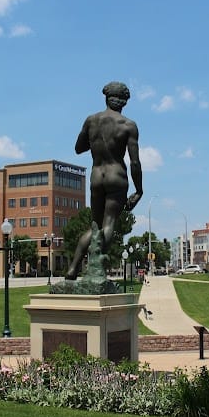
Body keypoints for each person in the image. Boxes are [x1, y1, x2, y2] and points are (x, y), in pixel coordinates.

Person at [65, 81, 143, 280]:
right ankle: (96, 266)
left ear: (106, 98)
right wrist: (139, 190)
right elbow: (135, 162)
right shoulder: (128, 125)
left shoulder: (91, 120)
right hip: (116, 177)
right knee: (108, 225)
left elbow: (79, 148)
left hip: (96, 177)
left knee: (95, 226)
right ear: (124, 102)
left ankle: (73, 268)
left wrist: (96, 141)